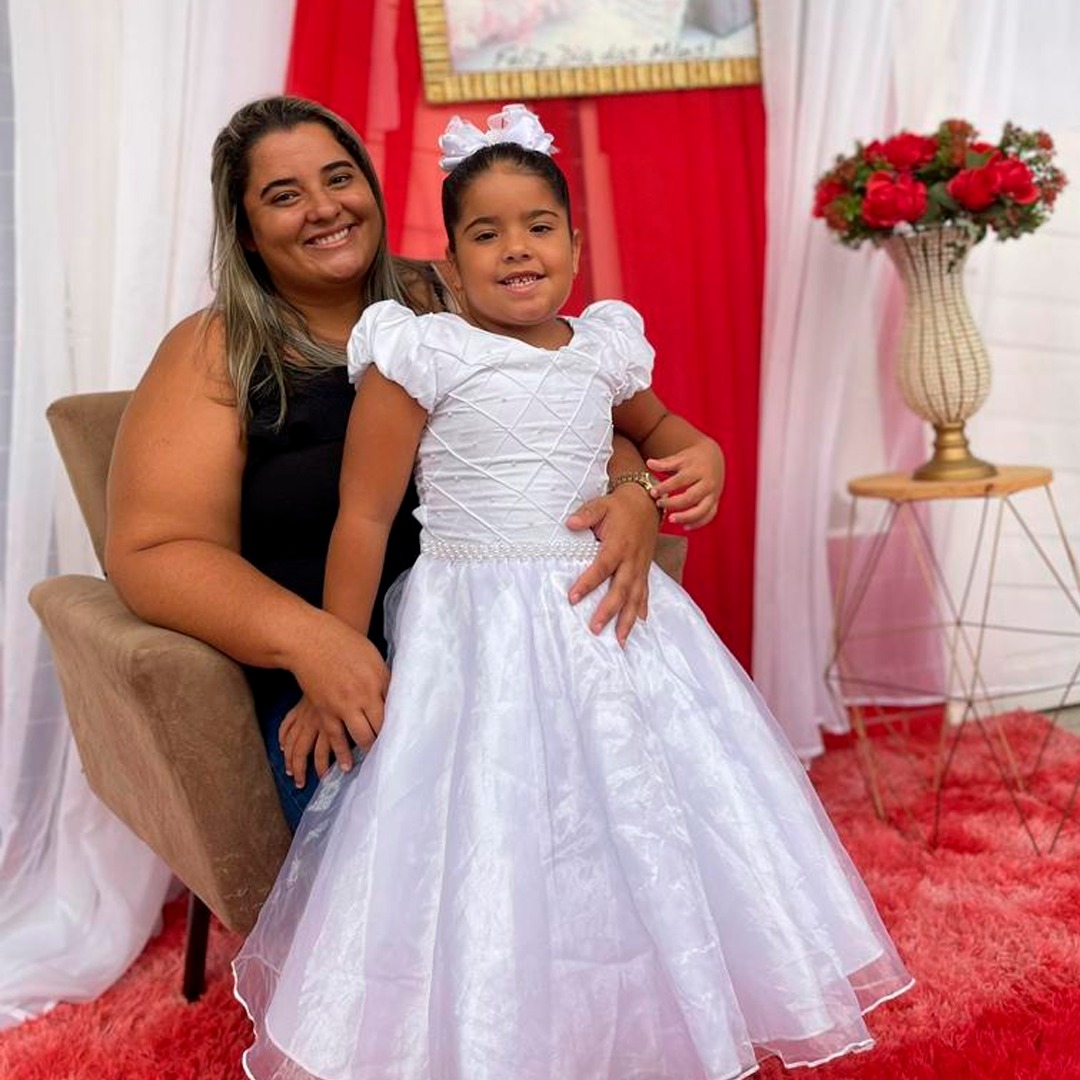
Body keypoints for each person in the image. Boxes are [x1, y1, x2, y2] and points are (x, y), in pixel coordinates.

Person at [232, 105, 912, 1080]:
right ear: (450, 263)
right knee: (490, 829)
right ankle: (491, 1032)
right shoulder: (422, 351)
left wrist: (697, 459)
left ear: (575, 242)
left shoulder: (602, 347)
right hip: (474, 628)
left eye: (539, 225)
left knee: (639, 815)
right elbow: (364, 518)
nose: (517, 248)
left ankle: (638, 1025)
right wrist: (338, 656)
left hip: (609, 619)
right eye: (486, 232)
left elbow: (668, 433)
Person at [104, 96, 721, 830]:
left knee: (652, 807)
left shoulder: (455, 292)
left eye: (340, 178)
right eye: (283, 195)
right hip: (347, 681)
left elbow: (574, 404)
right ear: (244, 233)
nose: (324, 208)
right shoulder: (216, 348)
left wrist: (632, 491)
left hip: (528, 651)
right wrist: (318, 643)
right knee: (439, 852)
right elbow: (152, 551)